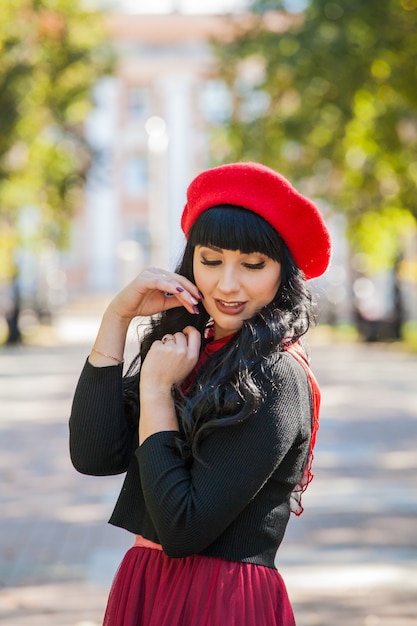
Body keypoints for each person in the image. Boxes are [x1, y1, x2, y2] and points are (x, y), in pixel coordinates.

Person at [69, 161, 331, 626]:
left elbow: (182, 528)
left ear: (282, 274)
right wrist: (117, 318)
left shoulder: (276, 376)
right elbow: (94, 454)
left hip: (219, 601)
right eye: (211, 261)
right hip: (148, 585)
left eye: (252, 265)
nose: (226, 284)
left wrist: (155, 389)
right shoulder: (196, 352)